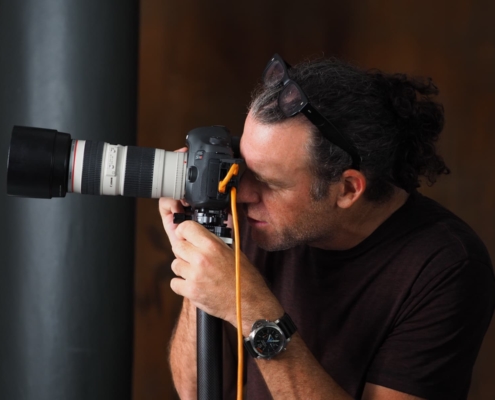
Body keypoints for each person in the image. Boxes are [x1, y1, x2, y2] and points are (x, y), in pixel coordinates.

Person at [159, 54, 495, 400]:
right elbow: (194, 390)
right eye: (244, 166)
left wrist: (256, 312)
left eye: (269, 182)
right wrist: (201, 236)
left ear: (348, 189)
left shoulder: (446, 266)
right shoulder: (248, 214)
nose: (242, 193)